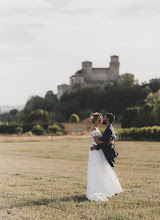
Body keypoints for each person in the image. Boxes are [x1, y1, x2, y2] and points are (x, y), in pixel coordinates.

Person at [86, 112, 123, 202]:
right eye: (99, 119)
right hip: (95, 151)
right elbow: (97, 141)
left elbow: (102, 140)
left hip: (99, 151)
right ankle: (98, 188)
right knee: (97, 169)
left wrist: (109, 141)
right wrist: (109, 142)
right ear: (95, 120)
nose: (101, 120)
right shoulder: (94, 129)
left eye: (101, 119)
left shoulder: (98, 128)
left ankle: (105, 187)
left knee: (102, 169)